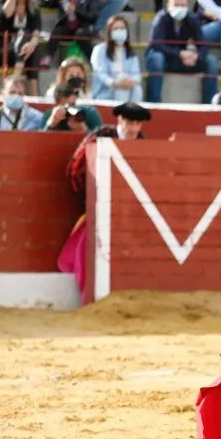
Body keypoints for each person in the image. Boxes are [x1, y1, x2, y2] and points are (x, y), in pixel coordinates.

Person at [60, 101, 152, 304]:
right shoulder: (101, 137)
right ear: (119, 120)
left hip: (128, 211)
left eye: (137, 124)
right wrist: (89, 201)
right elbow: (75, 169)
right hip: (100, 208)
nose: (133, 129)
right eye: (129, 123)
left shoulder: (142, 142)